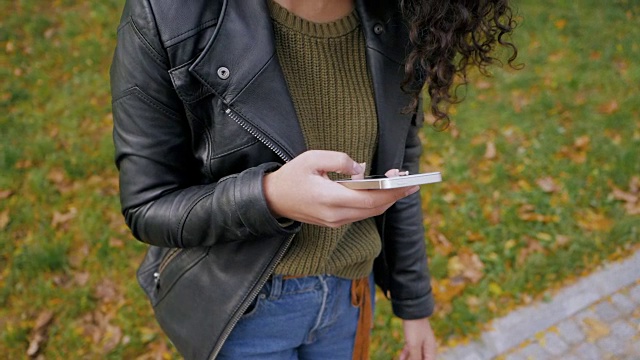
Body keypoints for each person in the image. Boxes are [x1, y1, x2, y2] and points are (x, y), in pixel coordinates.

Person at [110, 0, 517, 359]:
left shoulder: (398, 16)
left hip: (350, 298)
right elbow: (149, 205)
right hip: (242, 315)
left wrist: (415, 308)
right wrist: (268, 197)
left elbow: (401, 176)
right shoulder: (168, 13)